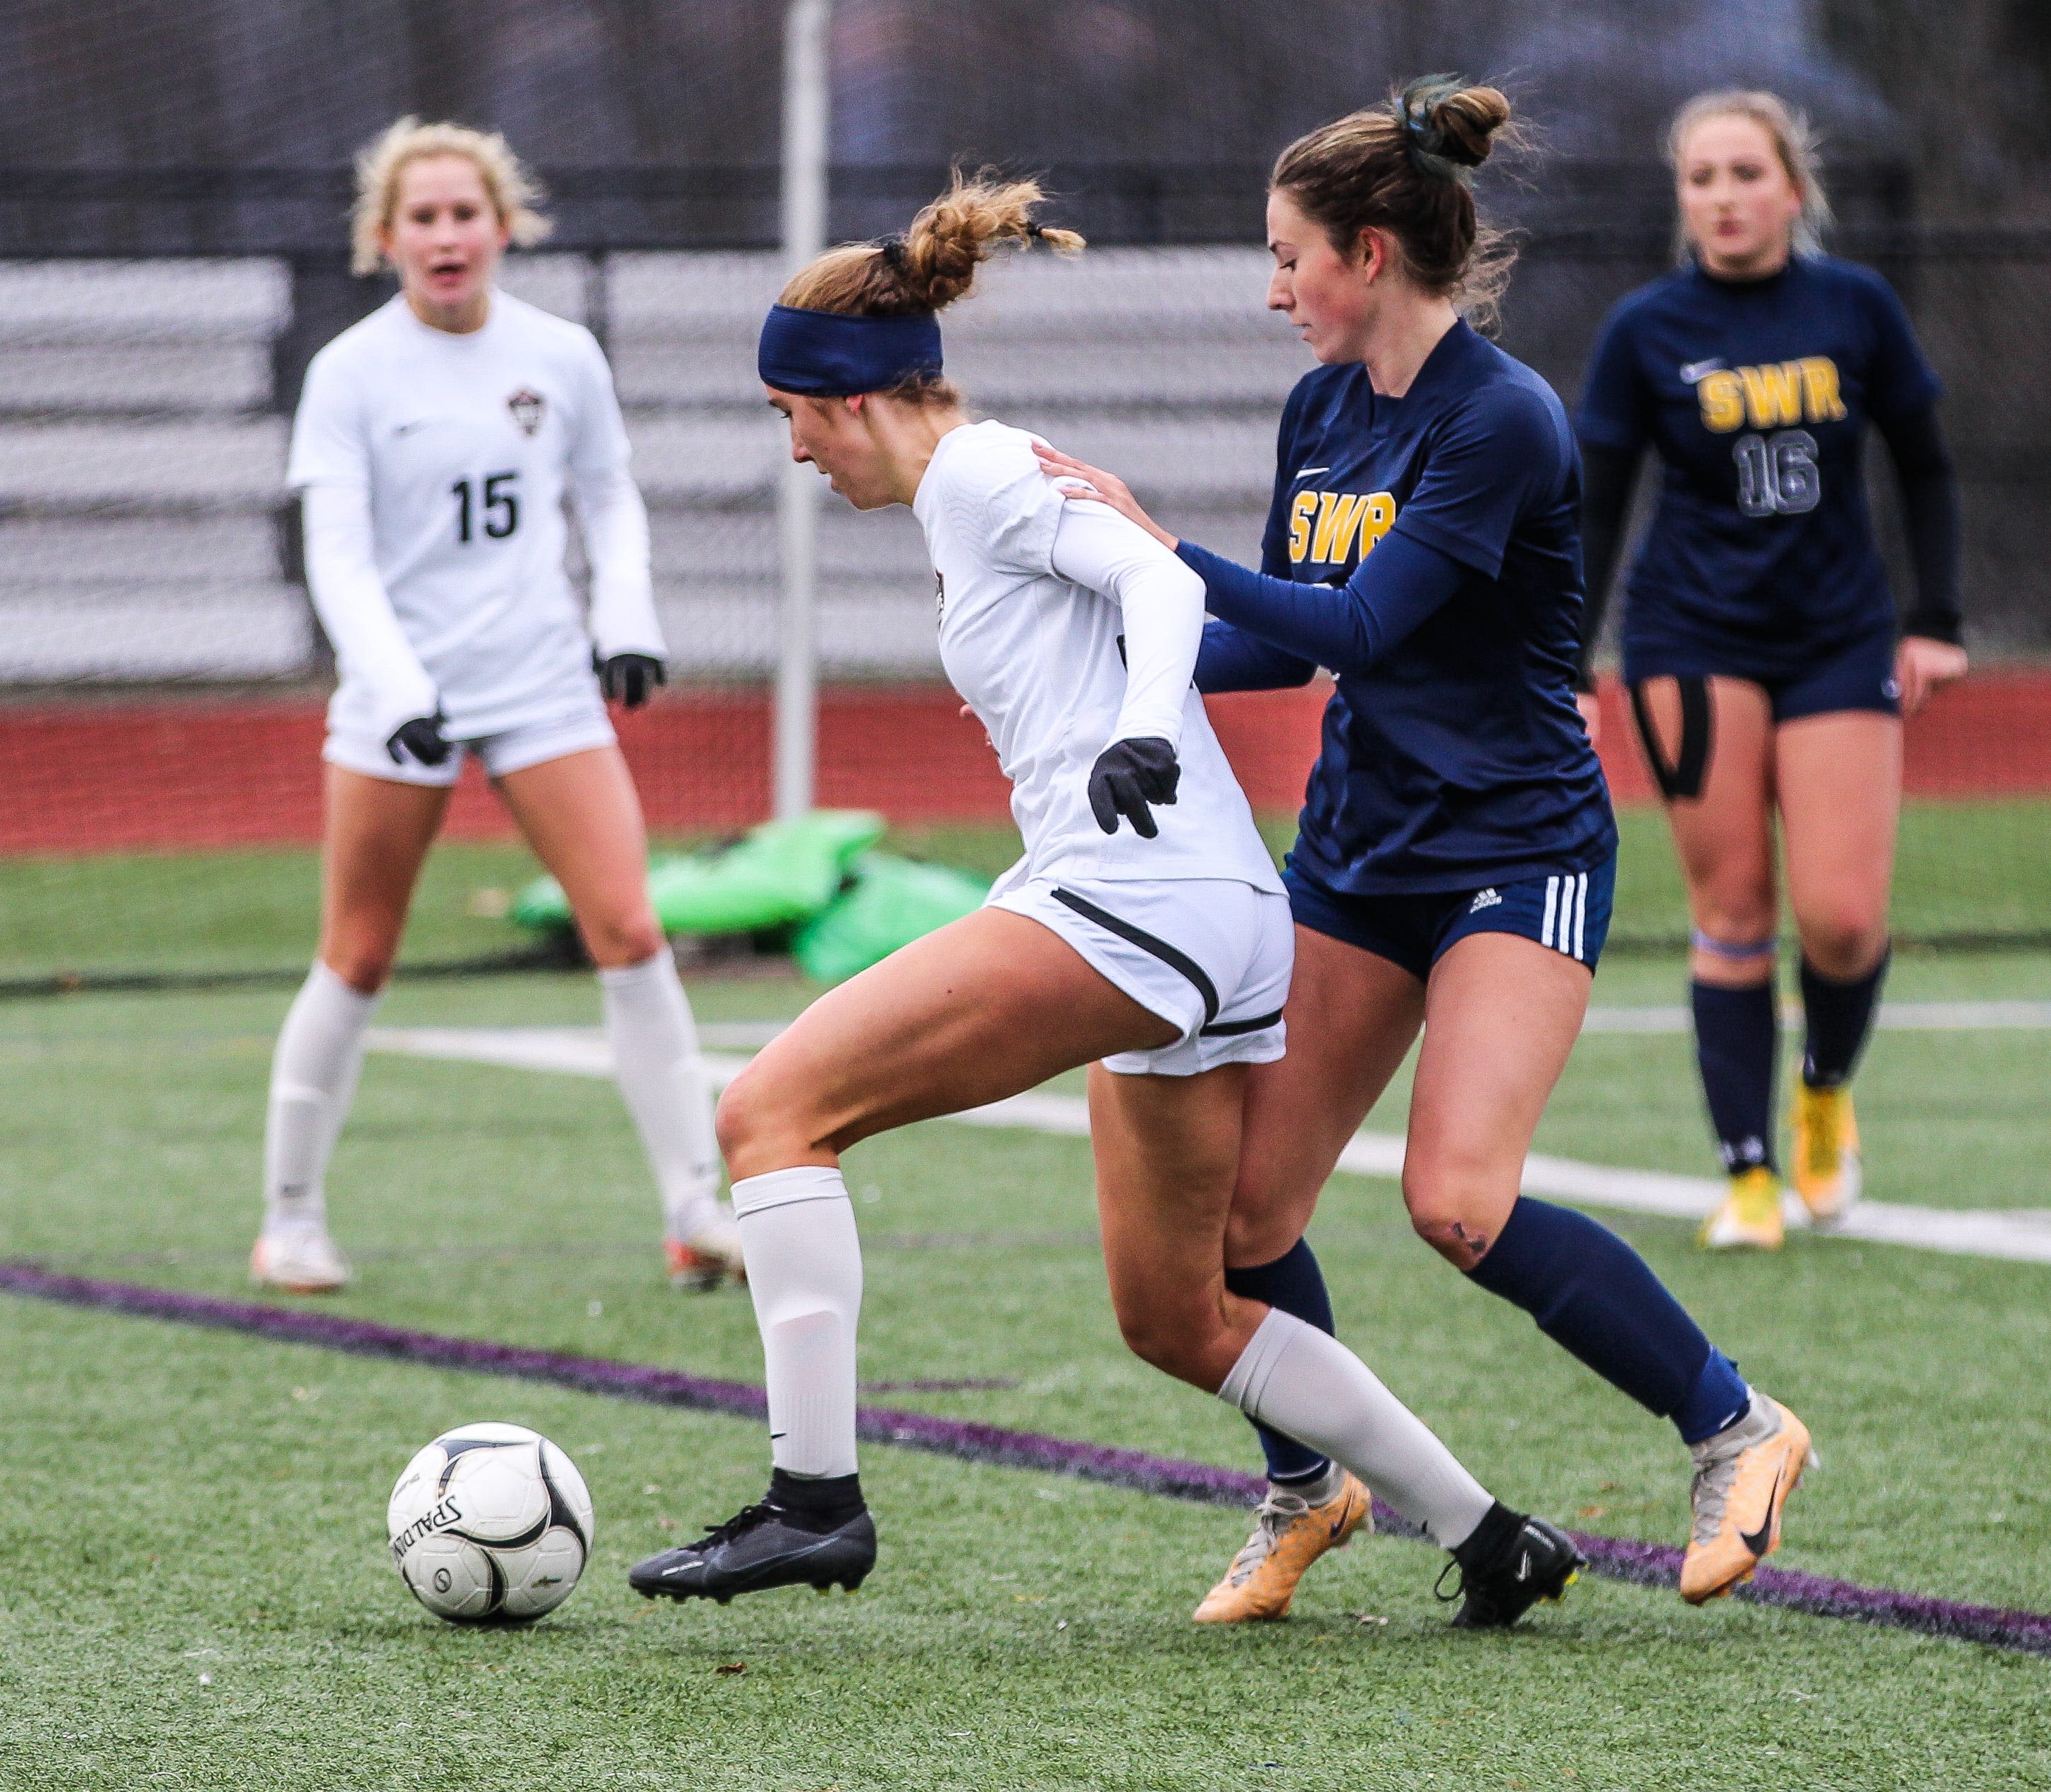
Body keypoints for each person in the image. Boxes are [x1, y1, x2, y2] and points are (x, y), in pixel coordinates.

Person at [627, 175, 1582, 1628]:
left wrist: (1142, 723)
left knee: (767, 1113)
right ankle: (1491, 1535)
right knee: (1177, 1315)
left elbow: (1157, 583)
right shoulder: (970, 492)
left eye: (791, 417)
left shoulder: (986, 473)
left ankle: (812, 1504)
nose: (798, 450)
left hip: (1140, 895)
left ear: (856, 398)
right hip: (1204, 909)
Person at [1034, 78, 1811, 1616]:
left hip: (1517, 848)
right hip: (1362, 844)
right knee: (1246, 1226)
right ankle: (1308, 1491)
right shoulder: (1324, 407)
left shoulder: (1504, 421)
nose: (1273, 290)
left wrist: (1144, 552)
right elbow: (1282, 654)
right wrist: (1101, 652)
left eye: (1286, 257)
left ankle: (1737, 1425)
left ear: (1370, 254)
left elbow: (1363, 624)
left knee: (1459, 1201)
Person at [257, 118, 741, 1297]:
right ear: (384, 239)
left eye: (463, 213)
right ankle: (290, 1219)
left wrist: (625, 616)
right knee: (359, 954)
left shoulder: (560, 354)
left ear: (504, 225)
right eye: (419, 218)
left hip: (537, 683)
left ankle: (694, 1211)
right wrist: (395, 683)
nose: (444, 236)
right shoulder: (350, 373)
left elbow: (608, 500)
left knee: (628, 932)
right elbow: (338, 557)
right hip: (400, 695)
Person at [1573, 90, 1966, 1250]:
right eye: (1700, 179)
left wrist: (1935, 616)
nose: (1723, 198)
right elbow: (1597, 511)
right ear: (1681, 197)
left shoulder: (1856, 306)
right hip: (1688, 639)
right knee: (1731, 909)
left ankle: (1823, 1091)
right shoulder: (1645, 327)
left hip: (1838, 636)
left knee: (1842, 922)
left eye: (1746, 174)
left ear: (1792, 189)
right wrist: (1565, 656)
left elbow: (1926, 467)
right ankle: (1744, 1173)